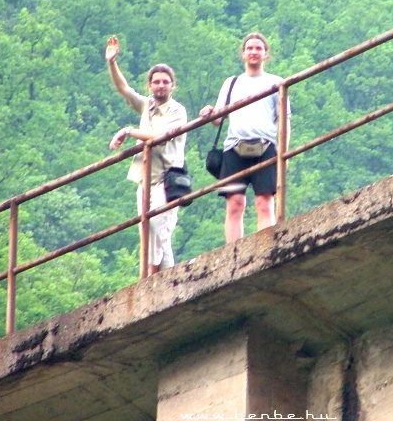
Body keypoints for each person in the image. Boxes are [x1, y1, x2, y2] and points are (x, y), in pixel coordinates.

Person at [106, 35, 187, 277]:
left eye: (165, 82)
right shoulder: (147, 106)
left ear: (173, 86)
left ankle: (149, 280)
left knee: (159, 232)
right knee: (150, 233)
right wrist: (112, 63)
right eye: (156, 82)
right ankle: (166, 280)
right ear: (149, 86)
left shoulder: (177, 111)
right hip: (145, 181)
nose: (161, 86)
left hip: (166, 181)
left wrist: (129, 131)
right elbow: (124, 89)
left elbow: (158, 136)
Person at [200, 32, 290, 243]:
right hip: (234, 148)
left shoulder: (276, 83)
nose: (253, 52)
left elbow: (285, 122)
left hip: (265, 147)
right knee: (234, 203)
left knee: (264, 202)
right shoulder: (231, 83)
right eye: (249, 48)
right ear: (243, 53)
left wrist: (283, 155)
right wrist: (210, 112)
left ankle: (265, 247)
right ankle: (233, 252)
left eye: (258, 48)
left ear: (266, 54)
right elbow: (218, 120)